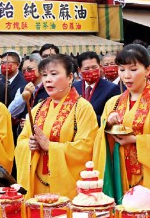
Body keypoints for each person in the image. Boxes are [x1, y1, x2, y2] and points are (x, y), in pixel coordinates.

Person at [94, 44, 150, 205]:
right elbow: (99, 144)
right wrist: (107, 127)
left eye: (133, 70)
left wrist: (136, 140)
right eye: (122, 69)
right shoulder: (112, 103)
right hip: (121, 174)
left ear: (147, 70)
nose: (127, 76)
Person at [15, 54, 97, 197]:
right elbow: (21, 142)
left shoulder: (83, 108)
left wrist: (50, 147)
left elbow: (86, 147)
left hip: (67, 186)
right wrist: (30, 145)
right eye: (45, 75)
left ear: (70, 77)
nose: (48, 79)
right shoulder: (37, 109)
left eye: (54, 74)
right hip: (38, 182)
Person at [73, 51, 119, 122]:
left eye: (94, 67)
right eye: (87, 69)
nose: (91, 71)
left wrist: (87, 116)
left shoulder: (111, 88)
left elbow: (110, 118)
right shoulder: (74, 87)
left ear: (100, 67)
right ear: (79, 70)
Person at [9, 54, 48, 136]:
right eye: (23, 71)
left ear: (41, 69)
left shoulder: (49, 89)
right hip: (23, 136)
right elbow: (10, 112)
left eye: (30, 69)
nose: (26, 72)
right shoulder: (22, 89)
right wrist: (23, 97)